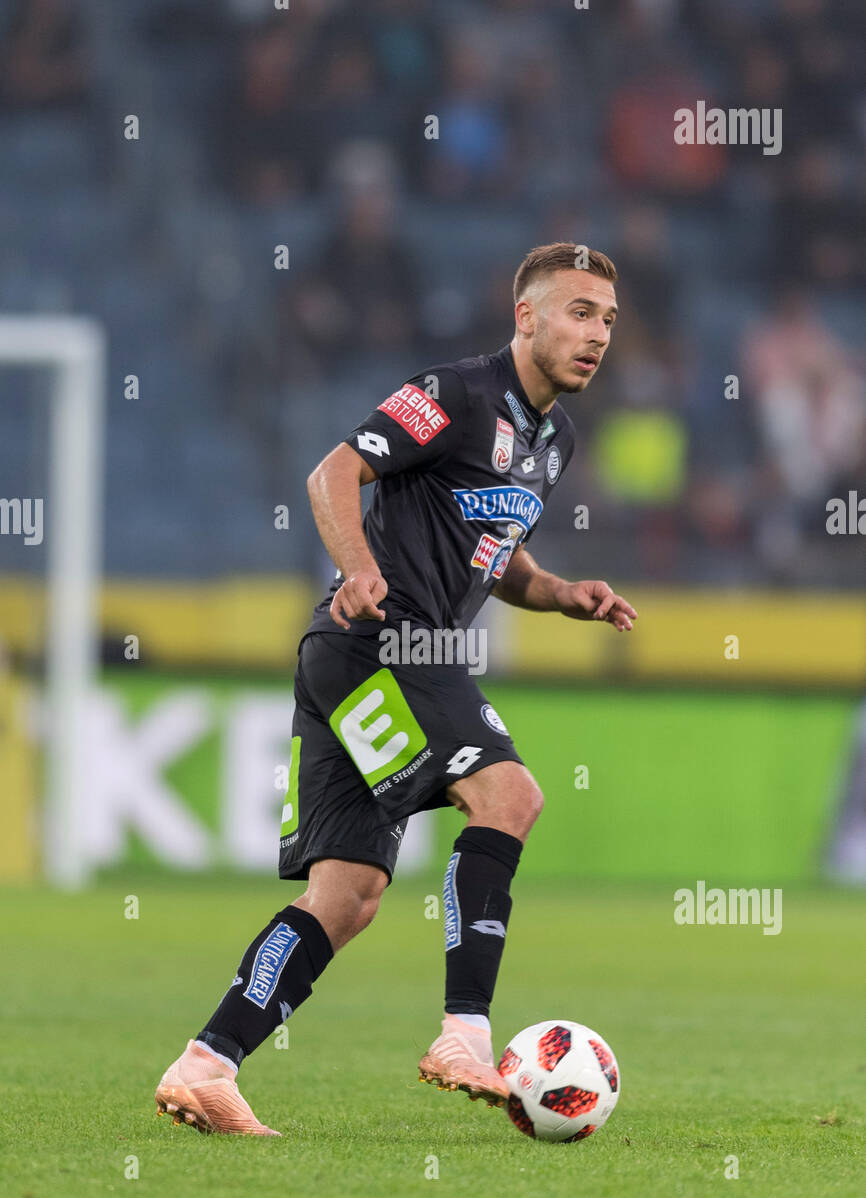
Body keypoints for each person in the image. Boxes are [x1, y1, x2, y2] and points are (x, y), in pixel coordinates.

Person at [155, 242, 637, 1135]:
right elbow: (332, 472)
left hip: (351, 656)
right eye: (577, 311)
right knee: (510, 796)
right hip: (385, 638)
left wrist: (560, 592)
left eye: (608, 318)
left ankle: (206, 1064)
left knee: (347, 895)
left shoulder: (555, 441)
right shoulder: (454, 393)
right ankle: (464, 1032)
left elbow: (496, 548)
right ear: (525, 315)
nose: (597, 334)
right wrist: (361, 565)